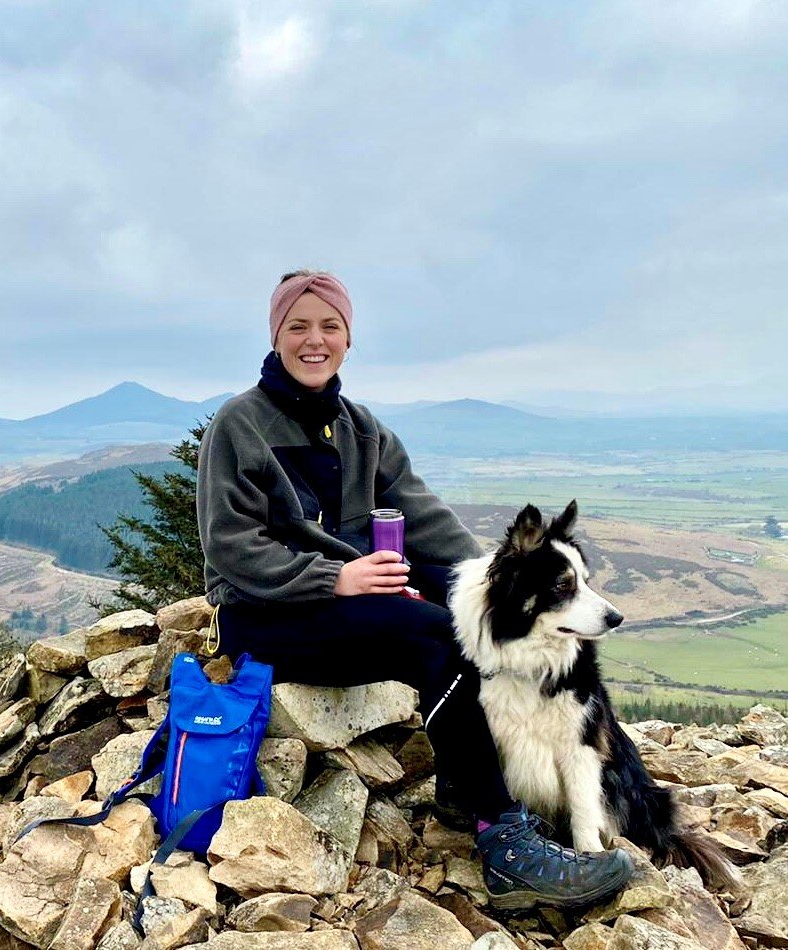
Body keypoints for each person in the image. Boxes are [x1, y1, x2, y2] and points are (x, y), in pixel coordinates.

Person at [195, 269, 634, 909]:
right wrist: (335, 577)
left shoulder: (361, 428)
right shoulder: (240, 425)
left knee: (455, 609)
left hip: (345, 604)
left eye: (329, 327)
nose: (313, 341)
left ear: (347, 338)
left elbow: (425, 523)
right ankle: (504, 844)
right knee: (433, 635)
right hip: (267, 618)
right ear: (276, 335)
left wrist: (496, 584)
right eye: (298, 326)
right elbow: (230, 546)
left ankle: (467, 781)